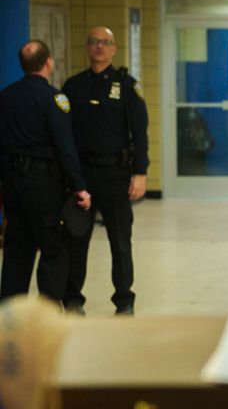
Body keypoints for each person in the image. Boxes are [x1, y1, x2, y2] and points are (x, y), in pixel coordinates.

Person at [61, 27, 149, 316]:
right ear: (87, 47)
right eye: (94, 42)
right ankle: (73, 299)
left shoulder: (127, 86)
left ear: (114, 49)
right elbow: (63, 135)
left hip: (116, 174)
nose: (99, 47)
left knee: (120, 240)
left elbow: (140, 132)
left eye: (105, 42)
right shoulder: (73, 87)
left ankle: (124, 299)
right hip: (82, 175)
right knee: (76, 239)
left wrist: (140, 173)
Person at [0, 40, 91, 304]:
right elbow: (65, 146)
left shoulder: (5, 97)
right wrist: (79, 187)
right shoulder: (54, 98)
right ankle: (48, 313)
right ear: (49, 61)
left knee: (17, 250)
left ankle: (9, 316)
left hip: (13, 185)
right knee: (53, 249)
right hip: (43, 186)